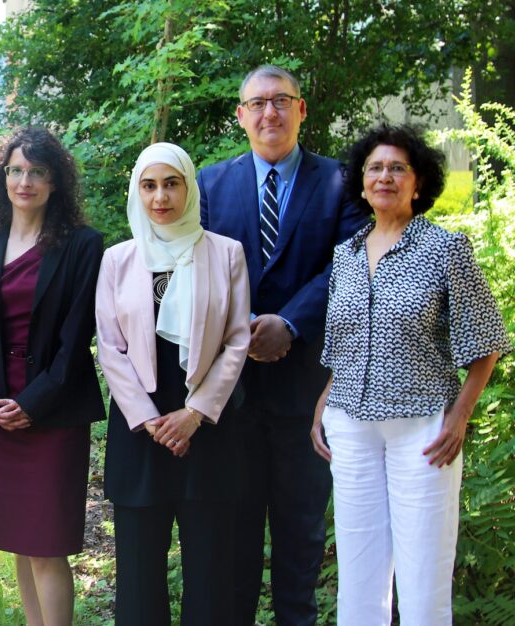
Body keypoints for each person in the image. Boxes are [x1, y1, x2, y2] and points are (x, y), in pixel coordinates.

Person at [311, 124, 510, 625]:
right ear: (361, 183)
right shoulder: (346, 255)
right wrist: (324, 404)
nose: (385, 176)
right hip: (350, 426)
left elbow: (486, 343)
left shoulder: (446, 249)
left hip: (422, 429)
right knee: (359, 571)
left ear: (418, 184)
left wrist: (460, 417)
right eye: (375, 168)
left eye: (398, 168)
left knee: (423, 573)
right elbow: (344, 342)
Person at [197, 64, 368, 625]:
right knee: (235, 545)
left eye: (281, 101)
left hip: (308, 395)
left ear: (301, 110)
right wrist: (245, 325)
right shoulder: (209, 184)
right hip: (231, 395)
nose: (269, 112)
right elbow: (194, 269)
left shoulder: (343, 182)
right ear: (241, 116)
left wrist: (289, 323)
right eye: (258, 103)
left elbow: (351, 264)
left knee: (300, 540)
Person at [0, 126, 106, 626]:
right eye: (16, 170)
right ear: (2, 178)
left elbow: (75, 336)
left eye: (36, 172)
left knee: (46, 546)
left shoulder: (84, 246)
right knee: (21, 544)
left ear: (55, 181)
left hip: (55, 410)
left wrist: (33, 403)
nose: (25, 181)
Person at [96, 142, 251, 625]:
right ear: (136, 192)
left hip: (206, 428)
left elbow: (237, 340)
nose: (160, 196)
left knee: (209, 570)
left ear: (188, 187)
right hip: (141, 430)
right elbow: (110, 347)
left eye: (171, 183)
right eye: (149, 185)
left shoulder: (226, 253)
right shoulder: (117, 259)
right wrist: (149, 419)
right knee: (139, 574)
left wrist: (195, 413)